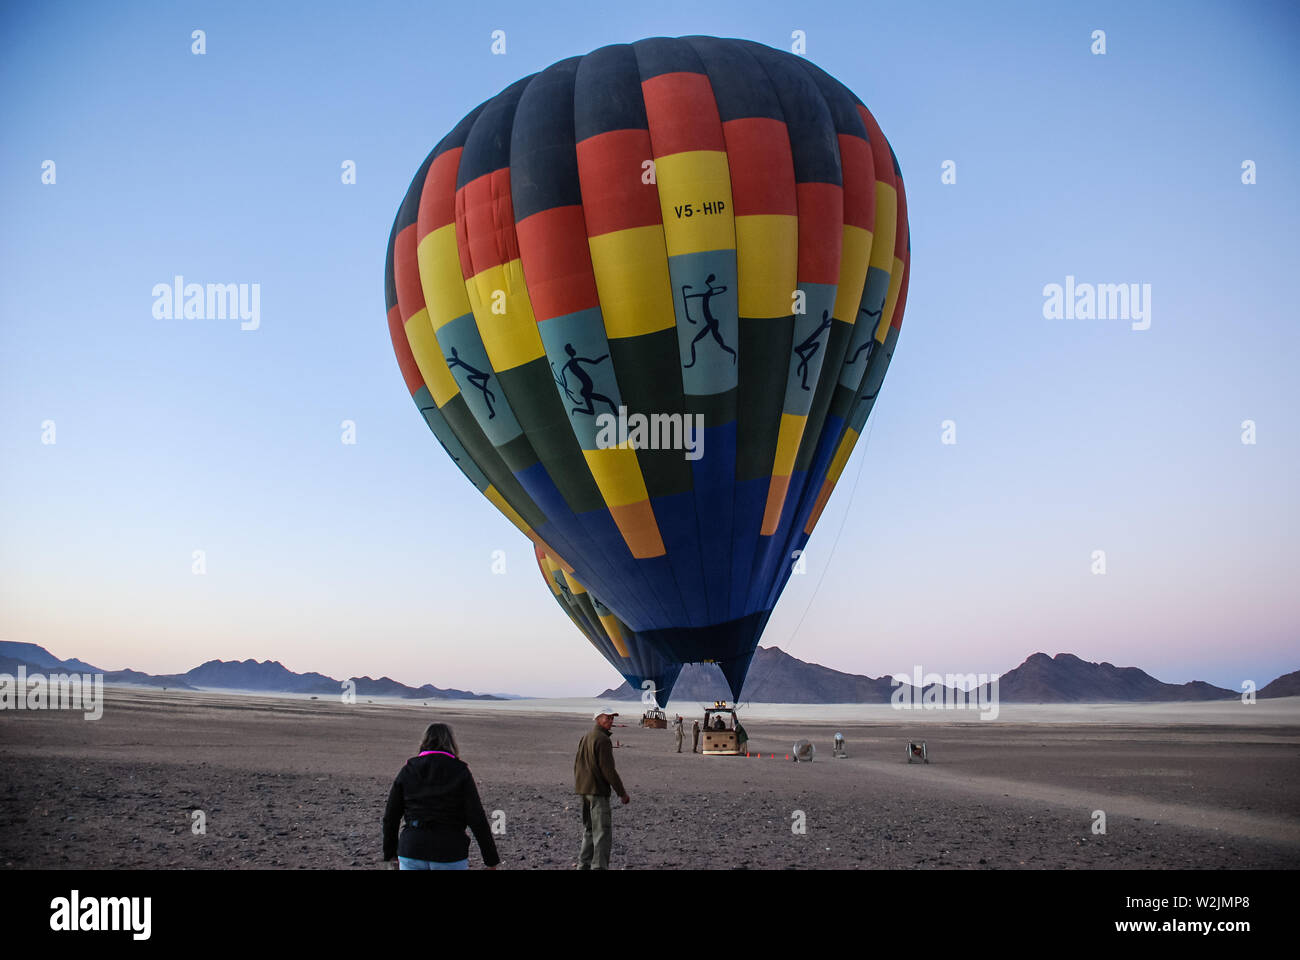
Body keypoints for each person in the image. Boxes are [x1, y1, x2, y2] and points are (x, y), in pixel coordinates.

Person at [382, 722, 500, 870]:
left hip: (412, 849)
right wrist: (491, 860)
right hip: (449, 851)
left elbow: (390, 817)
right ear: (451, 742)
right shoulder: (460, 771)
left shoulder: (408, 770)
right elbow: (477, 818)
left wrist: (389, 855)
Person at [574, 711, 629, 869]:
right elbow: (608, 770)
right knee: (602, 833)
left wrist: (580, 787)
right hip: (597, 791)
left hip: (584, 790)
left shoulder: (586, 737)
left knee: (589, 830)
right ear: (598, 719)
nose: (611, 721)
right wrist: (622, 793)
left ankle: (583, 865)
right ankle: (598, 867)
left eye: (612, 718)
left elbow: (578, 764)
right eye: (607, 718)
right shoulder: (602, 739)